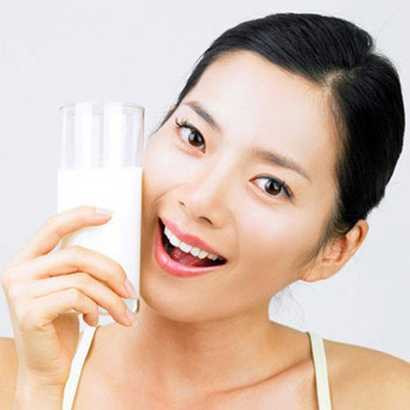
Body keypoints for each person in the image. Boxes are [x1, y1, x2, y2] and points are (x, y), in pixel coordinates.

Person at [1, 12, 409, 410]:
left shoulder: (388, 397)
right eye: (194, 137)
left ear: (335, 250)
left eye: (272, 185)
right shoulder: (17, 378)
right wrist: (39, 392)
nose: (200, 201)